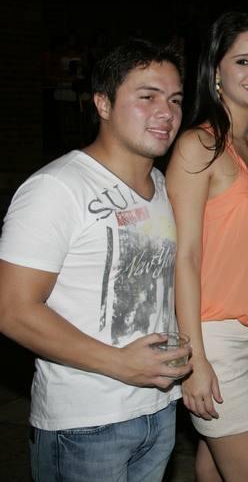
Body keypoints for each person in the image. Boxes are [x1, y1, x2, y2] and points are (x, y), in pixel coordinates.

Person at [0, 38, 190, 481]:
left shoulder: (164, 186)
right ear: (103, 103)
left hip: (159, 408)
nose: (166, 112)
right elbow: (12, 310)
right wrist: (118, 363)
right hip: (85, 424)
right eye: (147, 97)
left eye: (175, 100)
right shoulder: (57, 187)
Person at [166, 11, 248, 482]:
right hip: (215, 338)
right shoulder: (199, 145)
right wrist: (194, 359)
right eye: (243, 61)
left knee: (214, 468)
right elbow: (185, 257)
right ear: (215, 70)